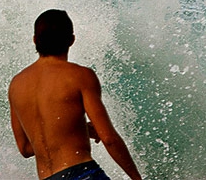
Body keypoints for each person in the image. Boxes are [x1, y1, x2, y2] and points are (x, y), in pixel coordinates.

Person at [8, 10, 142, 180]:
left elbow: (26, 148)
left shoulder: (16, 85)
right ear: (71, 40)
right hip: (83, 174)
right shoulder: (79, 76)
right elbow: (109, 139)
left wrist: (78, 130)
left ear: (35, 40)